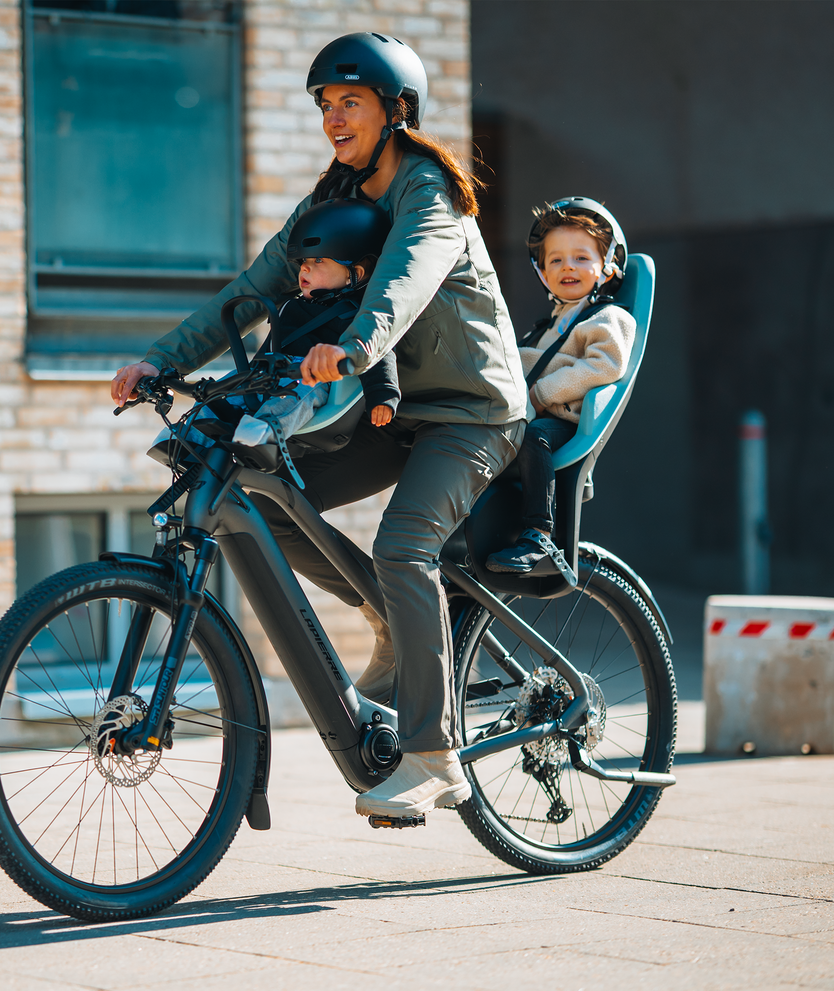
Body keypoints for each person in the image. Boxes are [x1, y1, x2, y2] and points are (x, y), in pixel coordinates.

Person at [112, 32, 528, 820]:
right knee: (266, 485)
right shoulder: (335, 196)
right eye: (325, 106)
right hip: (393, 408)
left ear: (394, 111)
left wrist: (356, 345)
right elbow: (257, 284)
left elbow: (404, 279)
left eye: (350, 103)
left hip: (471, 411)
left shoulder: (427, 192)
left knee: (405, 543)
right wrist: (159, 360)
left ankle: (434, 756)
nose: (333, 119)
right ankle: (385, 614)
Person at [485, 198, 636, 574]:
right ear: (542, 272)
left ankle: (540, 534)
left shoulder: (608, 317)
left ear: (607, 267)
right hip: (532, 412)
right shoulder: (547, 327)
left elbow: (605, 365)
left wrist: (538, 394)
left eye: (582, 258)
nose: (568, 265)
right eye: (556, 259)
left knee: (534, 436)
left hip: (562, 420)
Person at [188, 198, 401, 452]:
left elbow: (377, 350)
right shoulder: (291, 306)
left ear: (353, 273)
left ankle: (262, 436)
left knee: (295, 394)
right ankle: (188, 436)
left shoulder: (359, 315)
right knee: (225, 385)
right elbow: (268, 350)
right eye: (303, 263)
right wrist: (249, 378)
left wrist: (384, 396)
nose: (305, 269)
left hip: (315, 378)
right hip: (271, 373)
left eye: (318, 260)